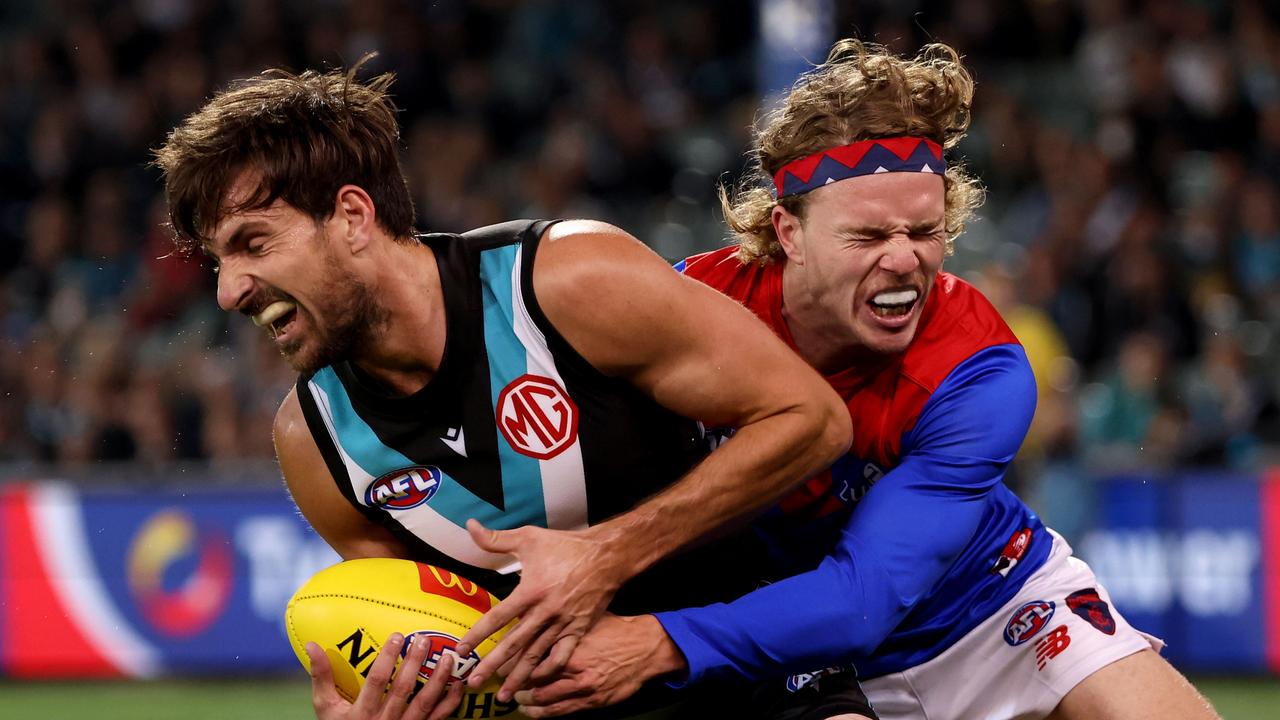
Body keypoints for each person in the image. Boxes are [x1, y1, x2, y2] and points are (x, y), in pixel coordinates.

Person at [511, 40, 1222, 720]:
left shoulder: (978, 369)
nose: (906, 260)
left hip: (997, 606)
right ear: (787, 232)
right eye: (869, 236)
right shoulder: (688, 310)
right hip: (783, 640)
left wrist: (655, 643)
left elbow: (861, 599)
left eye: (925, 230)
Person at [151, 59, 856, 719]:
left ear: (354, 217)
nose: (227, 291)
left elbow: (812, 419)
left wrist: (607, 556)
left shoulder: (565, 283)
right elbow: (442, 641)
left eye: (253, 243)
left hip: (754, 674)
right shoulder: (314, 442)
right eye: (217, 259)